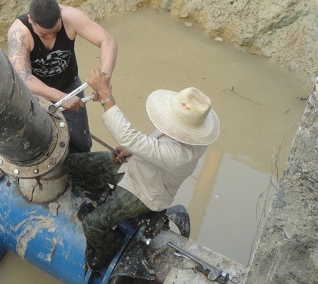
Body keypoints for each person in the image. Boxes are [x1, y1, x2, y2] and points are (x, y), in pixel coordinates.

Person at [67, 68, 220, 271]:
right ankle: (100, 197)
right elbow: (149, 144)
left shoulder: (182, 155)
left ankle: (110, 247)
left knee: (92, 226)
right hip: (135, 164)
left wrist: (106, 96)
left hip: (145, 191)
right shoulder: (186, 131)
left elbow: (134, 138)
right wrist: (132, 149)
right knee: (75, 164)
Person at [7, 0, 118, 153]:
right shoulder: (19, 33)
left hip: (70, 85)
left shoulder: (71, 17)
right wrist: (61, 97)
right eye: (44, 35)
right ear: (31, 19)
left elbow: (108, 41)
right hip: (35, 94)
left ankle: (82, 165)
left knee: (80, 140)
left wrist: (104, 79)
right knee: (35, 141)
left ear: (60, 13)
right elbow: (23, 78)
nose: (51, 37)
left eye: (56, 31)